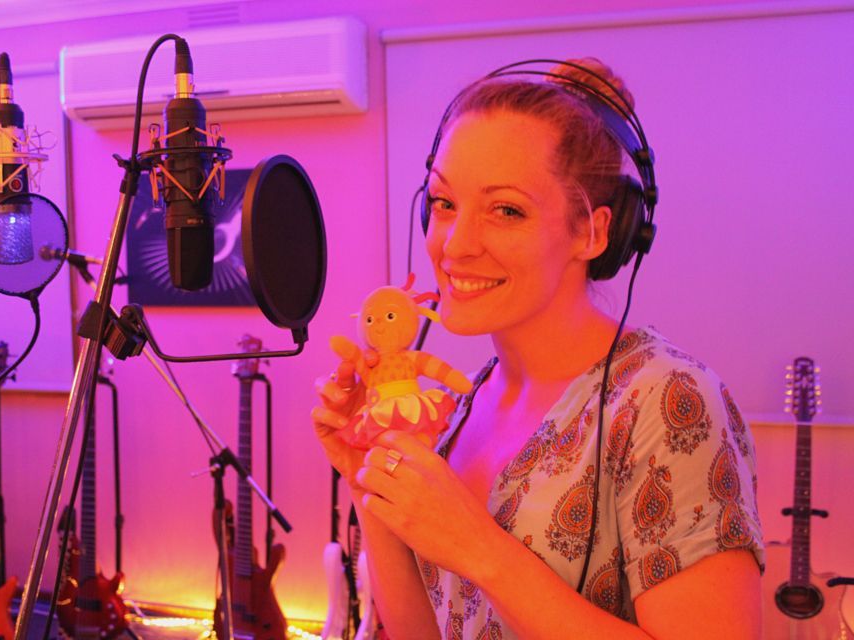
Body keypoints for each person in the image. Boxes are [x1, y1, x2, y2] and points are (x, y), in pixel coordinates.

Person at [311, 58, 764, 639]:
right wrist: (366, 478)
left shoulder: (666, 401)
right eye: (444, 203)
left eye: (506, 210)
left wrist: (480, 547)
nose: (454, 245)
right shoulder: (469, 402)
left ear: (593, 233)